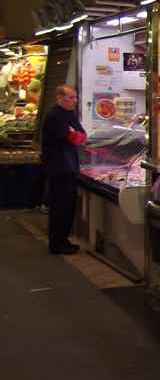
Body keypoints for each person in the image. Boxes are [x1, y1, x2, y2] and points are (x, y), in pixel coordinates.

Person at [40, 85, 86, 255]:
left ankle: (63, 239)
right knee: (60, 207)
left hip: (69, 168)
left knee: (68, 207)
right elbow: (74, 138)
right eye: (71, 97)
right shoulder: (55, 117)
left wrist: (76, 134)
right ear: (60, 98)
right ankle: (57, 243)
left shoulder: (69, 115)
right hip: (59, 169)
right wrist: (75, 135)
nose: (75, 100)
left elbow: (82, 135)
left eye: (75, 97)